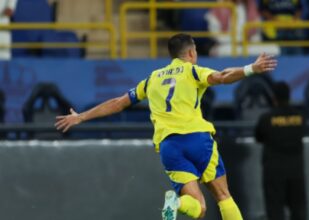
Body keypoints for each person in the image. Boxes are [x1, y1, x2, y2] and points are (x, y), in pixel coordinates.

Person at [55, 33, 277, 220]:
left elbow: (118, 103)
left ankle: (177, 204)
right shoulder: (192, 71)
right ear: (191, 53)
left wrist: (81, 117)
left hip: (170, 146)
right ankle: (180, 204)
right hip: (197, 139)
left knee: (198, 208)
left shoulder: (152, 79)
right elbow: (222, 76)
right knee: (223, 195)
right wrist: (251, 69)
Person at [254, 82, 306, 220]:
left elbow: (258, 137)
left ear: (273, 97)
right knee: (298, 210)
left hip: (273, 171)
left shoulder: (266, 119)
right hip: (296, 171)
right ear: (289, 96)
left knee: (275, 210)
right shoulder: (299, 117)